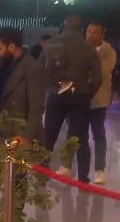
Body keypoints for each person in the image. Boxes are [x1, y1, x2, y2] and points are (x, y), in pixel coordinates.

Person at [42, 15, 103, 184]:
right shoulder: (89, 48)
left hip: (56, 95)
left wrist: (52, 88)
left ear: (64, 26)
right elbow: (98, 79)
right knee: (81, 138)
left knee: (49, 136)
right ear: (81, 28)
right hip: (80, 96)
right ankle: (83, 177)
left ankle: (41, 173)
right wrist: (87, 93)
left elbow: (40, 69)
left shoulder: (52, 44)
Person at [0, 27, 47, 145]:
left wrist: (27, 137)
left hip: (17, 134)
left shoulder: (32, 68)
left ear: (12, 47)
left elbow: (36, 108)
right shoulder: (4, 66)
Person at [86, 24, 116, 185]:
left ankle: (99, 170)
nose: (90, 35)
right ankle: (67, 165)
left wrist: (80, 71)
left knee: (98, 135)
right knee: (74, 133)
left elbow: (100, 72)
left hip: (99, 99)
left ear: (102, 35)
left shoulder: (108, 52)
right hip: (81, 98)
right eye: (88, 31)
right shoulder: (82, 49)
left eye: (94, 32)